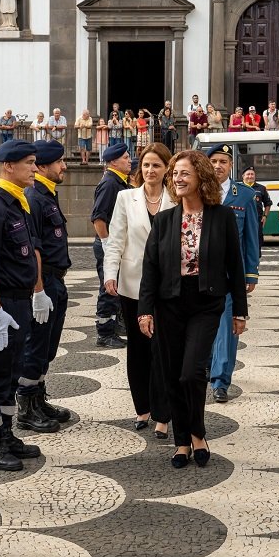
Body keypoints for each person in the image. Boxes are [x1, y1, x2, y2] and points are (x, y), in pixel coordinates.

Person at [138, 150, 248, 468]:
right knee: (172, 374)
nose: (178, 178)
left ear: (200, 176)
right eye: (175, 174)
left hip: (206, 303)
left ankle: (197, 431)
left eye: (184, 173)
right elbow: (151, 268)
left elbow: (235, 266)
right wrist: (145, 311)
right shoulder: (165, 220)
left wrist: (240, 310)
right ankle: (182, 442)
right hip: (168, 303)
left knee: (191, 373)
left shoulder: (222, 216)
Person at [0, 139, 43, 470]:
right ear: (9, 167)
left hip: (19, 301)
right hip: (4, 303)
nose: (35, 168)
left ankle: (4, 433)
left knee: (11, 372)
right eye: (29, 162)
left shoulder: (16, 202)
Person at [103, 143, 174, 438]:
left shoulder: (177, 198)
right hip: (133, 283)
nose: (150, 170)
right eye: (145, 165)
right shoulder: (125, 198)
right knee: (139, 347)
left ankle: (163, 413)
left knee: (164, 349)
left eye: (156, 165)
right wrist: (110, 274)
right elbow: (115, 238)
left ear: (166, 168)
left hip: (168, 286)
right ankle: (142, 407)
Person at [17, 139, 74, 433]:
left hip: (56, 280)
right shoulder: (35, 198)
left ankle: (38, 397)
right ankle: (26, 406)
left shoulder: (46, 194)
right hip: (46, 281)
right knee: (36, 345)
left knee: (47, 347)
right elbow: (34, 249)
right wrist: (38, 290)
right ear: (43, 167)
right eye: (59, 162)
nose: (64, 166)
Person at [206, 144, 259, 403]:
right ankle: (206, 366)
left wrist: (251, 274)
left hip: (230, 276)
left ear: (231, 165)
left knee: (228, 328)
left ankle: (221, 380)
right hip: (199, 274)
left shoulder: (245, 196)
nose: (217, 166)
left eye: (223, 162)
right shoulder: (196, 192)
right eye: (213, 161)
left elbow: (251, 238)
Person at [91, 143, 132, 348]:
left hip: (116, 244)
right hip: (108, 244)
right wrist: (107, 245)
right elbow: (98, 218)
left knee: (117, 287)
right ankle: (105, 333)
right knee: (108, 288)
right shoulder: (110, 183)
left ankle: (115, 326)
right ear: (114, 162)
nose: (129, 160)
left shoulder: (120, 182)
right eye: (125, 157)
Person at [242, 166, 271, 254]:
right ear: (243, 176)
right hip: (242, 219)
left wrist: (265, 216)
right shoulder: (238, 188)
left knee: (256, 243)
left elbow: (268, 203)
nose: (250, 176)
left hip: (257, 220)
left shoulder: (261, 188)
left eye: (252, 174)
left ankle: (255, 265)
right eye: (248, 174)